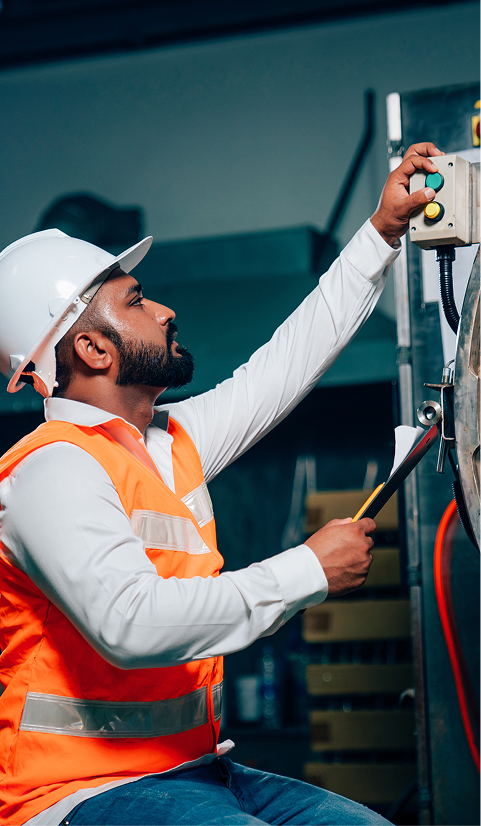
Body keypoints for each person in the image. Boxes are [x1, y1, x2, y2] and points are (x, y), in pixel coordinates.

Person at [0, 143, 443, 826]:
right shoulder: (50, 470)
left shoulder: (169, 442)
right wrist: (306, 570)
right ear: (92, 349)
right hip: (77, 793)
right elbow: (130, 623)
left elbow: (286, 364)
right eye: (138, 301)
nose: (166, 309)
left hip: (196, 770)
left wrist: (379, 233)